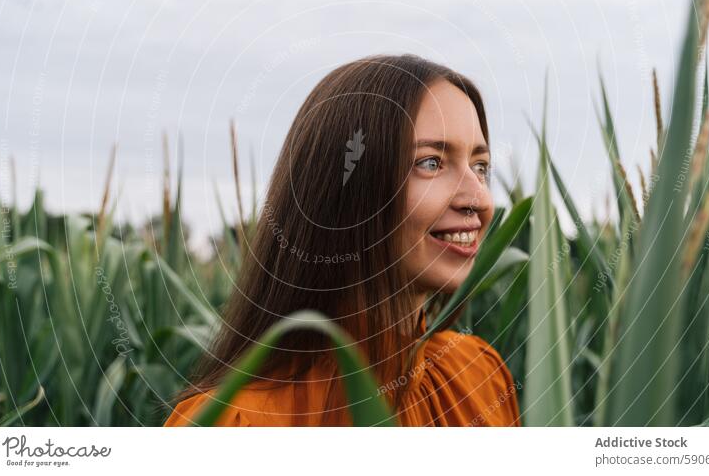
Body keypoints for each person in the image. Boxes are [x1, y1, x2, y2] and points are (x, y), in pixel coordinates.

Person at [165, 54, 521, 427]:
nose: (478, 200)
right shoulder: (234, 423)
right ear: (346, 193)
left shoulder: (479, 377)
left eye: (480, 167)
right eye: (431, 163)